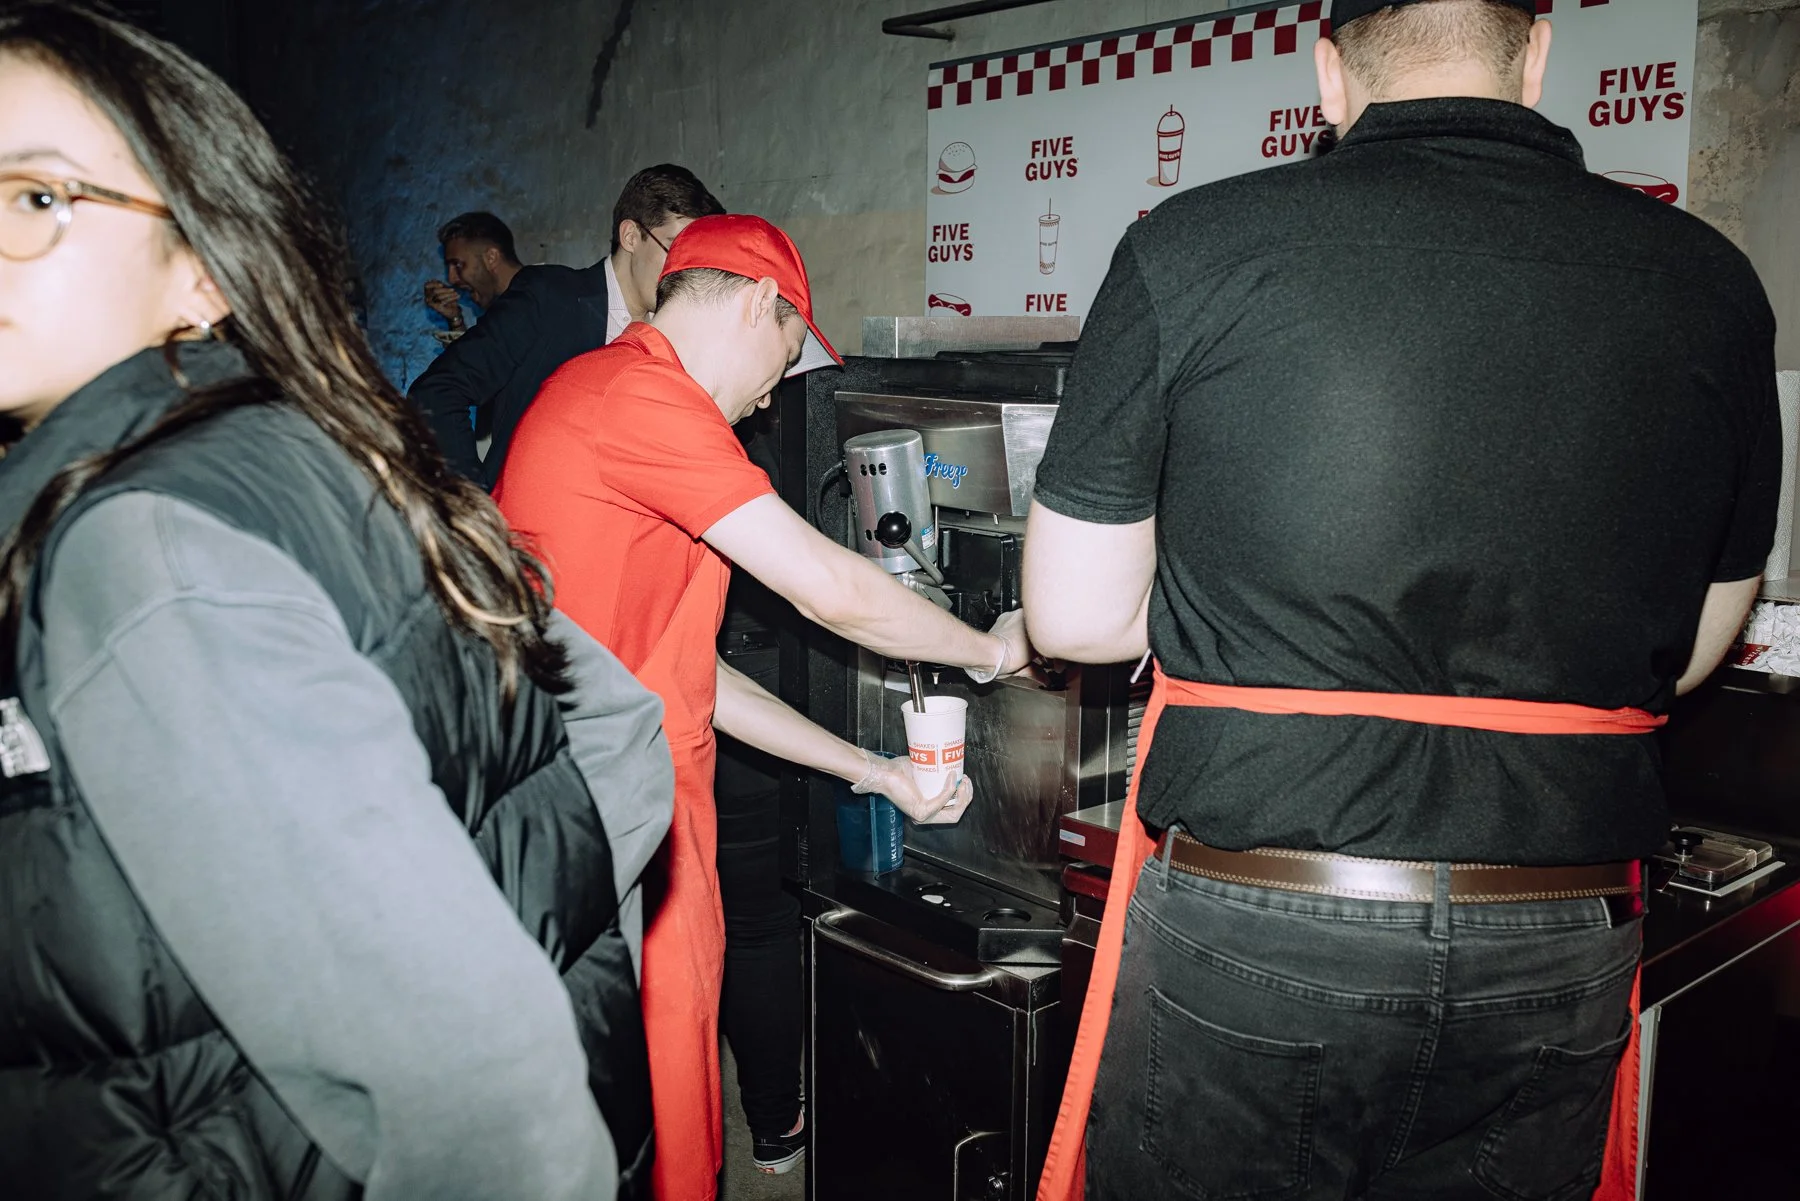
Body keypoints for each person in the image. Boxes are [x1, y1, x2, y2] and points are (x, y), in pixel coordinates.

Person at [1022, 2, 1779, 1200]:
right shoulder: (1713, 282)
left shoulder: (1195, 242)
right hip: (1557, 922)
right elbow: (1687, 652)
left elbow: (1068, 619)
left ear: (1328, 74)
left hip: (1261, 917)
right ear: (1535, 54)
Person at [0, 6, 673, 1199]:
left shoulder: (143, 545)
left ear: (202, 266)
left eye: (36, 196)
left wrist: (462, 976)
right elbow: (617, 727)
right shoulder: (339, 458)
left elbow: (487, 1096)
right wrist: (533, 929)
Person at [495, 213, 1034, 1201]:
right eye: (786, 360)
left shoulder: (617, 399)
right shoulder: (641, 398)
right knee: (623, 1122)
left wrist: (875, 773)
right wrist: (990, 651)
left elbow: (693, 676)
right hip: (601, 830)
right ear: (757, 303)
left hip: (645, 814)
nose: (767, 402)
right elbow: (828, 586)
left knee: (669, 1108)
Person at [408, 164, 725, 488]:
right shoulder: (551, 297)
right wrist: (475, 509)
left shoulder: (674, 332)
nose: (683, 268)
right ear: (631, 236)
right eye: (674, 248)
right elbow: (438, 392)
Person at [423, 209, 523, 337]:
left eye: (458, 264)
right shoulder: (501, 317)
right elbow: (481, 356)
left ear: (491, 258)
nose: (451, 279)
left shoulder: (544, 302)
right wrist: (455, 319)